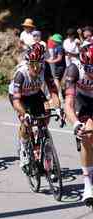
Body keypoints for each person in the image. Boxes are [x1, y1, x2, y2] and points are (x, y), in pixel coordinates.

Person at [8, 43, 61, 167]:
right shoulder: (21, 74)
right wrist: (25, 113)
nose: (37, 69)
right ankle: (24, 147)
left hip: (35, 93)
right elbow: (16, 101)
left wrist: (58, 108)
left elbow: (53, 91)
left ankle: (42, 137)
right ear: (28, 63)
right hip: (20, 97)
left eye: (39, 65)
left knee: (46, 112)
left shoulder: (45, 68)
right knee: (26, 122)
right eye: (33, 65)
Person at [64, 41, 93, 204]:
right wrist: (75, 123)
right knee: (88, 133)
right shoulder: (74, 69)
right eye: (90, 70)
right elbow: (68, 104)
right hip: (82, 101)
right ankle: (88, 184)